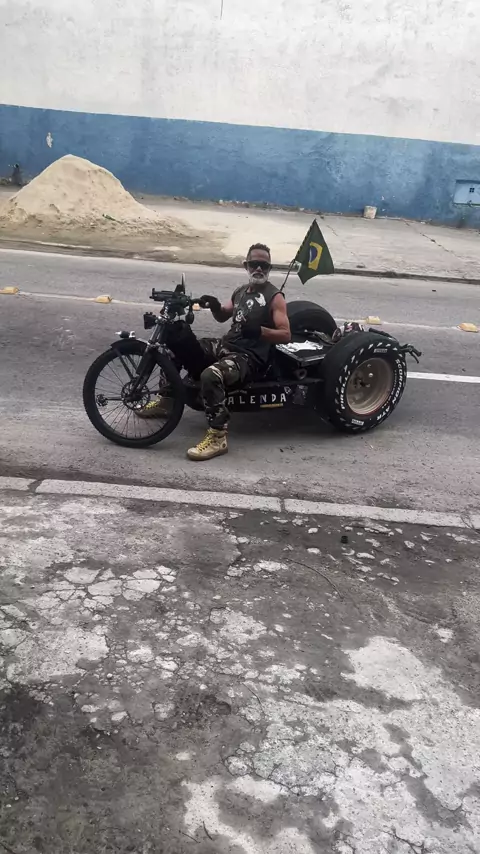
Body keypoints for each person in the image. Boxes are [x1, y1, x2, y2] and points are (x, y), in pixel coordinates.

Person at [139, 243, 291, 460]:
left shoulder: (275, 297)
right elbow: (223, 315)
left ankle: (218, 436)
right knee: (177, 347)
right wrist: (214, 306)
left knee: (210, 375)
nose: (259, 269)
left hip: (249, 358)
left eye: (264, 265)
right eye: (254, 264)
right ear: (246, 265)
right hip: (226, 346)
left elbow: (285, 334)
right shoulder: (241, 292)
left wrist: (259, 331)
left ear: (270, 268)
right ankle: (167, 400)